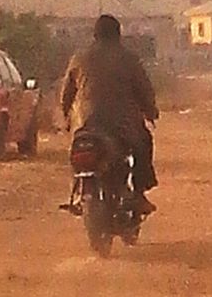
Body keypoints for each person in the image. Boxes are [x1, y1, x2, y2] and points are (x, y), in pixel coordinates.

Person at [60, 14, 159, 214]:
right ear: (118, 34)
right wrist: (150, 111)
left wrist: (67, 117)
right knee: (144, 142)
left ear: (94, 34)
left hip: (85, 123)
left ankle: (79, 193)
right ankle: (139, 194)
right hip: (122, 125)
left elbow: (66, 93)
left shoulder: (79, 58)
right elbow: (144, 90)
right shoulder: (129, 59)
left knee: (78, 151)